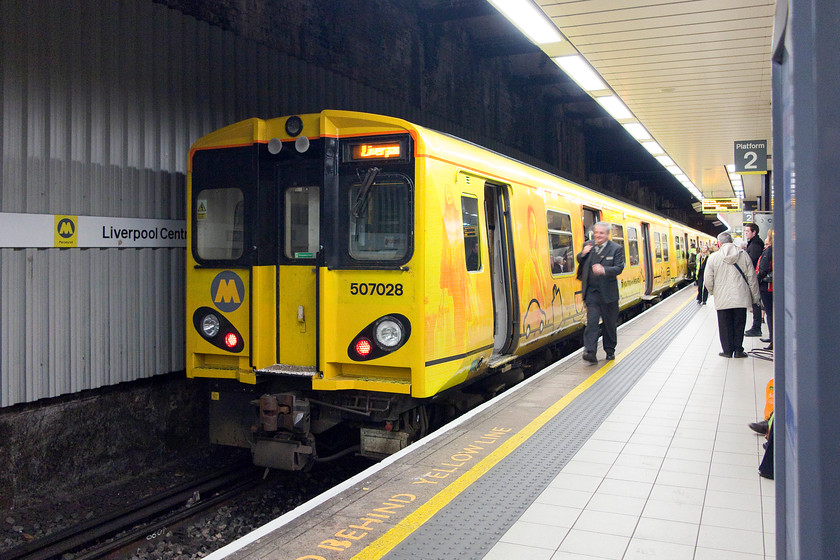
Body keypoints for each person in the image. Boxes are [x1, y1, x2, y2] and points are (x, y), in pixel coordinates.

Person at [704, 231, 760, 358]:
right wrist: (755, 297)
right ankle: (738, 350)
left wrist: (713, 291)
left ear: (719, 243)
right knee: (739, 324)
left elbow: (708, 279)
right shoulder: (744, 255)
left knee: (724, 325)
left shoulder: (713, 257)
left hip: (722, 297)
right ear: (732, 241)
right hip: (741, 296)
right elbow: (752, 277)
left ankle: (727, 351)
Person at [576, 222, 625, 362]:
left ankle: (610, 350)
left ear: (607, 234)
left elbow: (619, 268)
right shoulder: (588, 246)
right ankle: (590, 352)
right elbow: (579, 259)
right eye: (596, 232)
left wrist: (604, 270)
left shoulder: (616, 249)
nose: (598, 235)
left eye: (601, 233)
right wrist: (583, 254)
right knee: (592, 322)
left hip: (608, 294)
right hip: (591, 292)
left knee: (609, 324)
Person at [743, 223, 765, 337]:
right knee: (755, 303)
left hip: (755, 277)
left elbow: (752, 261)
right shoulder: (753, 243)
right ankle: (755, 326)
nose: (746, 233)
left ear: (754, 232)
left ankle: (756, 327)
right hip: (754, 277)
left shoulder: (755, 244)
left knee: (756, 302)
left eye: (747, 231)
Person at [757, 229, 774, 350]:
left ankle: (773, 339)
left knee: (770, 313)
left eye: (767, 237)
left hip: (768, 287)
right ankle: (772, 337)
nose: (766, 239)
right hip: (770, 287)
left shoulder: (769, 251)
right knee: (770, 313)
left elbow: (763, 270)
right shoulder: (773, 250)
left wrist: (756, 280)